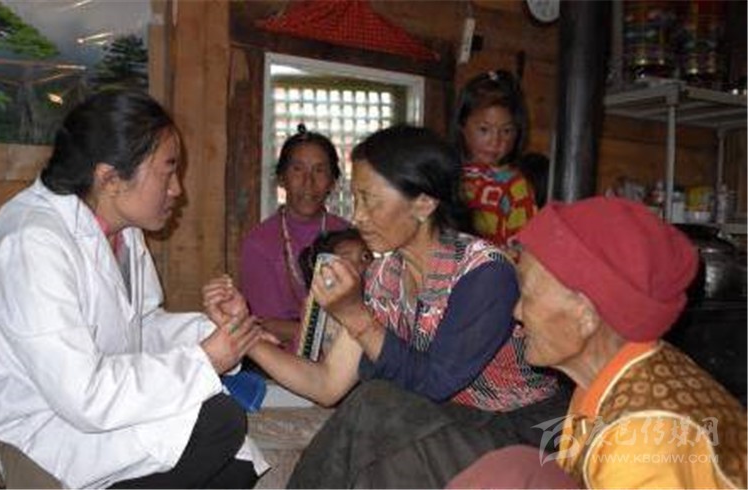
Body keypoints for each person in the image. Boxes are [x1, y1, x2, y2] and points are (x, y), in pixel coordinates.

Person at [0, 91, 268, 489]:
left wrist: (219, 334)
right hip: (20, 433)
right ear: (110, 178)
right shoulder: (30, 242)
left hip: (76, 414)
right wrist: (204, 360)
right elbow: (84, 394)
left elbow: (141, 326)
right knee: (219, 422)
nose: (177, 189)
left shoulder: (122, 231)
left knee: (237, 465)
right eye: (167, 172)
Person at [206, 125, 566, 488]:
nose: (358, 216)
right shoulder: (385, 276)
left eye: (370, 200)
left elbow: (434, 383)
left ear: (424, 203)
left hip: (520, 433)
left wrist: (355, 315)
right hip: (440, 426)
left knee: (378, 404)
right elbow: (327, 384)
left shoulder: (484, 273)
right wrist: (243, 333)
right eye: (355, 199)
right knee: (378, 424)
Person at [449, 197, 747, 489]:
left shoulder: (642, 440)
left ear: (585, 314)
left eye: (527, 296)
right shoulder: (606, 379)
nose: (517, 313)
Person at [240, 125, 350, 344]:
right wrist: (331, 334)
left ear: (332, 181)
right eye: (298, 169)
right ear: (282, 178)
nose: (308, 182)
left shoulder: (349, 236)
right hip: (277, 359)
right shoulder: (258, 242)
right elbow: (264, 325)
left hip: (342, 359)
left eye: (319, 170)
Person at [453, 69, 538, 247]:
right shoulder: (446, 172)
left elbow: (525, 248)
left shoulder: (515, 187)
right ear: (462, 125)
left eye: (506, 131)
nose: (496, 141)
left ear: (517, 132)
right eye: (484, 130)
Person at [294, 228, 373, 358]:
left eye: (365, 257)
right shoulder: (316, 307)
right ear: (326, 269)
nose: (359, 265)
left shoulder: (377, 305)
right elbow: (306, 356)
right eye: (346, 259)